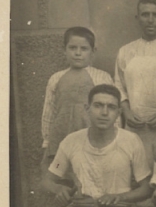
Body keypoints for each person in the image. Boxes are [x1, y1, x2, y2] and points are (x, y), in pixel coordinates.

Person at [114, 0, 156, 166]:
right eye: (145, 14)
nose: (150, 20)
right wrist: (126, 111)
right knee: (136, 174)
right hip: (135, 127)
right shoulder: (125, 51)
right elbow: (118, 86)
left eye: (155, 15)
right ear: (137, 17)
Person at [40, 27, 114, 166]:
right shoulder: (56, 78)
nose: (78, 53)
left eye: (84, 49)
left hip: (93, 137)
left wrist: (113, 138)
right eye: (72, 48)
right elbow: (49, 112)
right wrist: (47, 142)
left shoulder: (102, 77)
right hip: (62, 137)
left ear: (93, 52)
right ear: (64, 50)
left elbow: (112, 110)